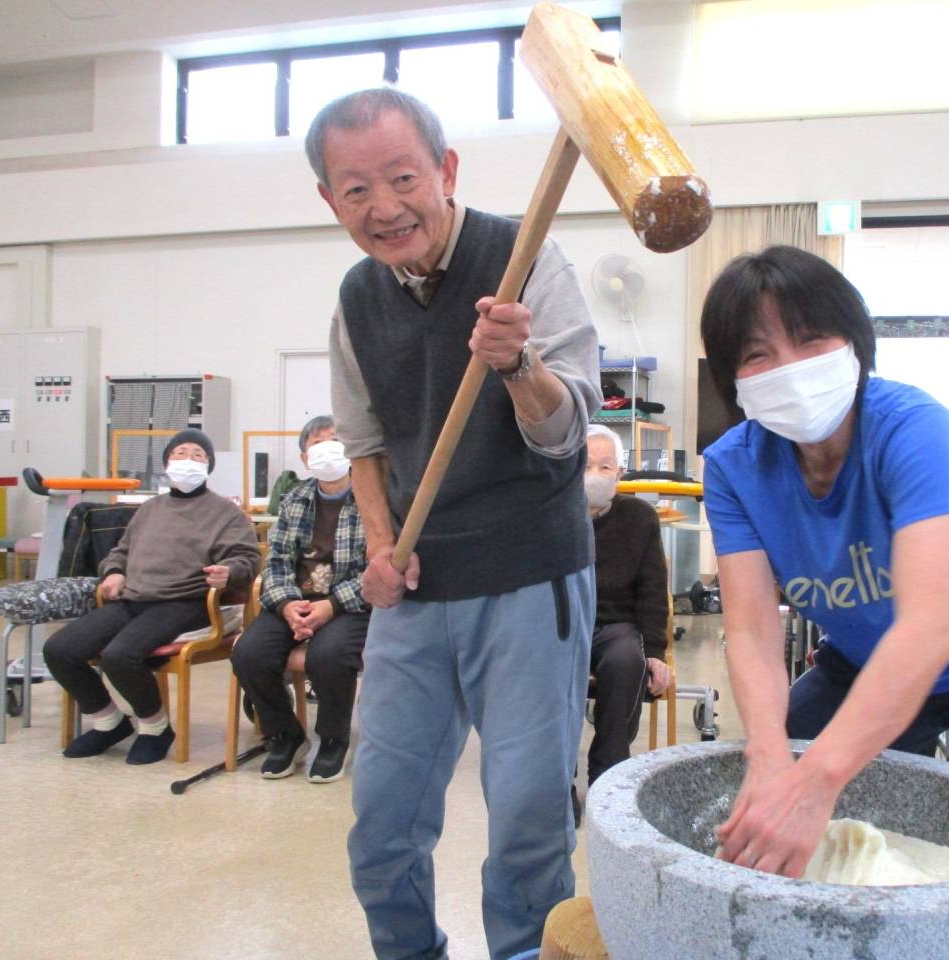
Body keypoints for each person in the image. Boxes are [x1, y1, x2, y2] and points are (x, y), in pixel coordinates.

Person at [699, 246, 949, 960]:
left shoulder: (912, 428)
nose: (790, 367)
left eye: (812, 340)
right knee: (771, 789)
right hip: (865, 660)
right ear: (731, 378)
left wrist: (817, 779)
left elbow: (930, 626)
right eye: (758, 354)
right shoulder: (732, 466)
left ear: (855, 345)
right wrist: (768, 759)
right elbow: (754, 632)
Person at [309, 88, 601, 960]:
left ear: (446, 170)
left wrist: (520, 367)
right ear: (329, 201)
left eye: (403, 178)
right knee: (383, 823)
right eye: (355, 190)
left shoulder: (524, 260)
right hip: (416, 586)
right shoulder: (357, 296)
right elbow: (361, 443)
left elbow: (570, 434)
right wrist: (381, 547)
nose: (385, 207)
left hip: (529, 579)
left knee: (525, 824)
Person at [45, 429, 260, 765]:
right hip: (134, 599)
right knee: (60, 649)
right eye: (180, 453)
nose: (188, 460)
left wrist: (229, 572)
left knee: (121, 655)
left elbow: (247, 558)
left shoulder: (224, 511)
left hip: (185, 602)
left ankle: (155, 727)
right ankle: (109, 722)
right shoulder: (149, 509)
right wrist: (113, 572)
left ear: (209, 465)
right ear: (167, 463)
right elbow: (121, 551)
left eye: (198, 455)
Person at [230, 415, 369, 783]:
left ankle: (333, 739)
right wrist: (288, 604)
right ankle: (286, 735)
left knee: (330, 655)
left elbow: (378, 567)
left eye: (335, 440)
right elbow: (275, 562)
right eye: (317, 443)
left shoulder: (373, 496)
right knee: (248, 653)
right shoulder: (295, 499)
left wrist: (332, 604)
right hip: (295, 603)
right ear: (305, 459)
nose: (327, 448)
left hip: (350, 607)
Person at [580, 424, 671, 811]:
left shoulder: (639, 518)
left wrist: (655, 653)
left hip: (618, 627)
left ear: (620, 472)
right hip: (566, 626)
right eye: (586, 465)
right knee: (553, 668)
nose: (596, 475)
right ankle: (556, 783)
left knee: (626, 662)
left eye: (605, 466)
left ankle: (606, 777)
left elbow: (653, 591)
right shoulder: (551, 515)